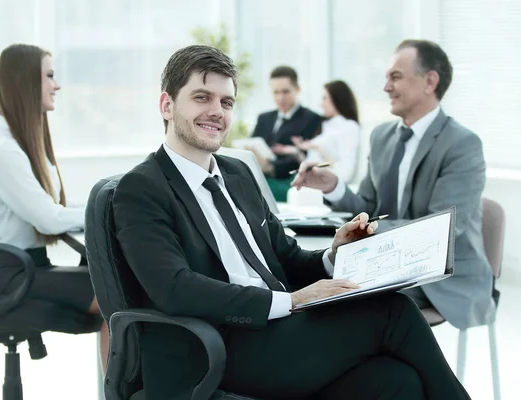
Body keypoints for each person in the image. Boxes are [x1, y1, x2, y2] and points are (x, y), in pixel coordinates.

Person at [112, 44, 470, 399]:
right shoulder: (142, 188)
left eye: (226, 102)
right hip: (218, 347)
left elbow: (285, 257)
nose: (216, 111)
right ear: (167, 105)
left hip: (278, 334)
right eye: (202, 97)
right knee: (395, 313)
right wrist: (292, 302)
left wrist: (333, 255)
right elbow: (175, 288)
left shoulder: (237, 174)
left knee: (396, 381)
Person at [292, 39, 496, 330]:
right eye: (386, 78)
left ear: (430, 81)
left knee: (354, 305)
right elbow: (367, 207)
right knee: (316, 288)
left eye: (395, 77)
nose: (386, 87)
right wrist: (333, 187)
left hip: (444, 277)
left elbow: (439, 229)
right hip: (390, 262)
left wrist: (371, 232)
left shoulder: (462, 145)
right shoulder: (381, 137)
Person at [0, 44, 109, 370]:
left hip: (23, 266)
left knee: (117, 289)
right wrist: (102, 212)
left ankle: (119, 388)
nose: (56, 85)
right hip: (2, 275)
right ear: (25, 81)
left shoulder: (20, 144)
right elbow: (48, 219)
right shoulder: (3, 149)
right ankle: (121, 391)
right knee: (116, 294)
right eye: (49, 75)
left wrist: (100, 204)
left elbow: (51, 207)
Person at [250, 66, 322, 201]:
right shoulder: (264, 118)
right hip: (259, 177)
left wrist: (271, 168)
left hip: (288, 182)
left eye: (285, 92)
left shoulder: (311, 118)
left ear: (298, 89)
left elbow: (305, 156)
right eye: (275, 92)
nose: (280, 98)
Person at [273, 80, 361, 183]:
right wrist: (295, 151)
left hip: (326, 187)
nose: (321, 104)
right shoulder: (326, 126)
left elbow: (344, 172)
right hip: (312, 182)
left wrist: (318, 148)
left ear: (337, 99)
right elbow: (312, 164)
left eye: (324, 98)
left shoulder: (349, 126)